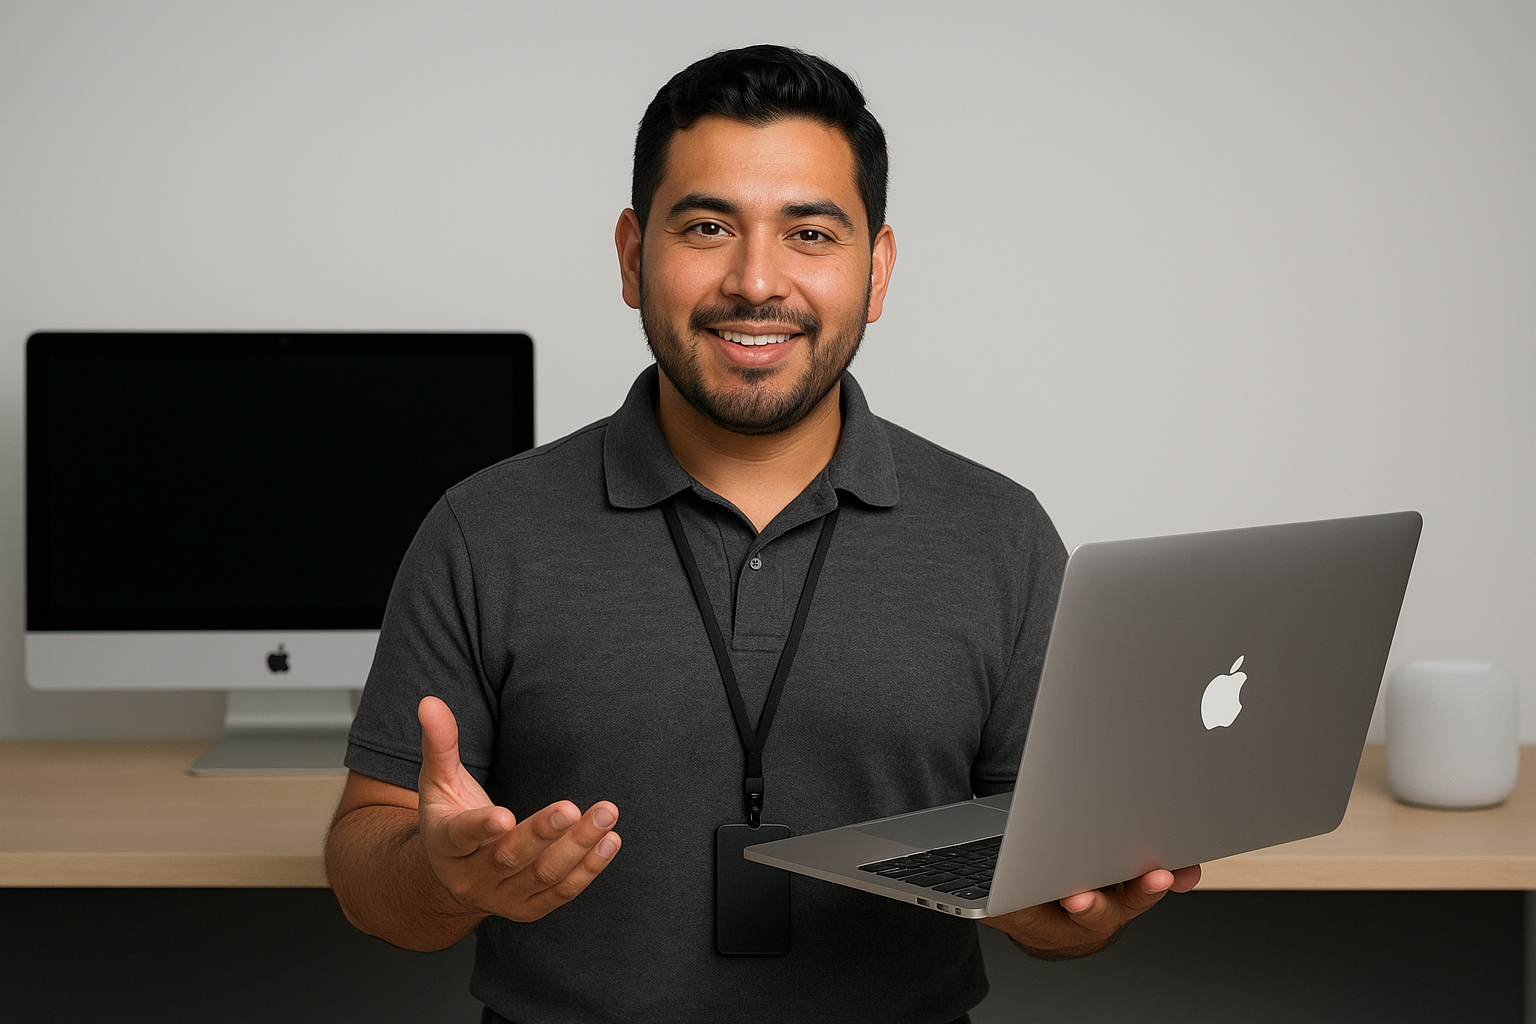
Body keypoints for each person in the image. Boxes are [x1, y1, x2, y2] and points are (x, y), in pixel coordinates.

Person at [325, 43, 1199, 1023]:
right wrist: (444, 875)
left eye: (810, 234)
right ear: (630, 254)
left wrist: (1072, 912)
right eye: (707, 225)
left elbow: (1047, 893)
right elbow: (371, 861)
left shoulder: (1002, 534)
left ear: (877, 269)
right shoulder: (482, 528)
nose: (754, 281)